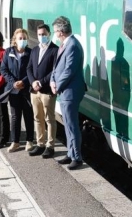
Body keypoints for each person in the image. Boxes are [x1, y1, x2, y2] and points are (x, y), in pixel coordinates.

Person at [50, 16, 86, 170]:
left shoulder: (72, 45)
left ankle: (77, 157)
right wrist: (52, 80)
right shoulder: (65, 44)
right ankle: (71, 153)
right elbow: (57, 67)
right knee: (68, 125)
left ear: (61, 31)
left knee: (72, 126)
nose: (54, 34)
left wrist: (57, 85)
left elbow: (69, 70)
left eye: (55, 31)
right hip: (65, 90)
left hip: (70, 91)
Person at [26, 24, 59, 158]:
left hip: (46, 91)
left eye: (44, 34)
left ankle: (50, 146)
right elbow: (29, 68)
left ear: (49, 34)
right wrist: (33, 81)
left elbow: (55, 70)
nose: (41, 37)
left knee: (49, 119)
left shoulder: (55, 50)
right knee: (37, 118)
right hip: (34, 91)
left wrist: (41, 82)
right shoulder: (34, 50)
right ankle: (40, 144)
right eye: (39, 34)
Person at [1, 28, 34, 153]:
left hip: (26, 90)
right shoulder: (8, 52)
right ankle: (15, 142)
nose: (23, 40)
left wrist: (24, 82)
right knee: (15, 117)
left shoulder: (31, 53)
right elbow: (4, 69)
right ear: (15, 39)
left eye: (25, 38)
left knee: (28, 115)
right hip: (13, 89)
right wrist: (13, 82)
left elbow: (32, 70)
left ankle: (30, 140)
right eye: (20, 38)